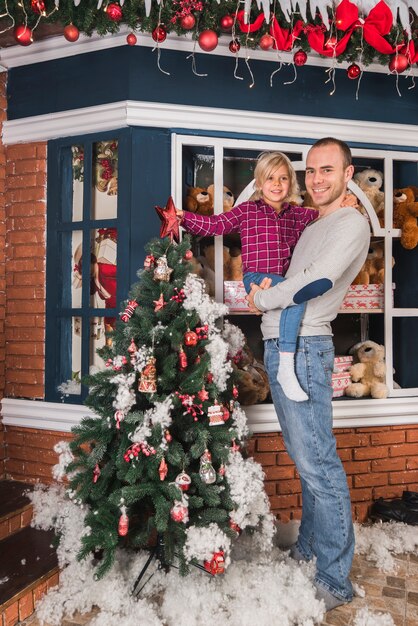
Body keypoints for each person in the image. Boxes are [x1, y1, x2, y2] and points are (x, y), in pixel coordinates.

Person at [246, 137, 370, 611]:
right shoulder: (314, 223)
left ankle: (335, 579)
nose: (317, 178)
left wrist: (263, 298)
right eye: (311, 170)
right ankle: (310, 549)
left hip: (306, 350)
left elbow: (315, 284)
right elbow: (288, 275)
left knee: (321, 466)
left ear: (347, 174)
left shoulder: (351, 223)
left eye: (327, 170)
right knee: (307, 462)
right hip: (281, 345)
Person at [176, 151, 318, 402]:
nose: (276, 184)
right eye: (270, 178)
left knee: (295, 294)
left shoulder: (297, 215)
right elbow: (215, 225)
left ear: (291, 184)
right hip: (255, 277)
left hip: (282, 280)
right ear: (260, 183)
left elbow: (323, 217)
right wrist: (183, 217)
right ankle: (286, 366)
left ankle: (283, 362)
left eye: (283, 179)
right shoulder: (248, 211)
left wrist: (343, 207)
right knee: (297, 295)